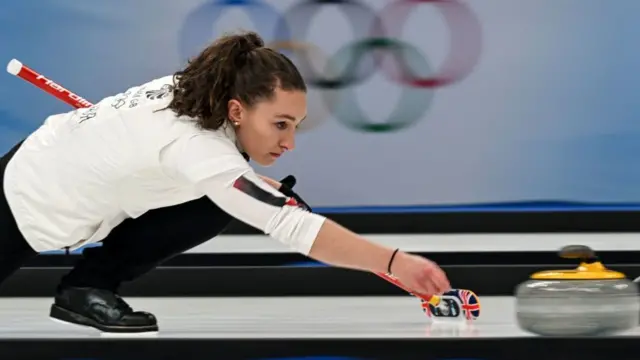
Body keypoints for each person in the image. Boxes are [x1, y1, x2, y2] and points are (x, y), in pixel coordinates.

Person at [0, 31, 451, 333]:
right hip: (23, 199)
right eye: (280, 124)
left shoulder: (200, 92)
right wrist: (396, 262)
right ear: (237, 111)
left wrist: (243, 184)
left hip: (61, 170)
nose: (290, 142)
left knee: (218, 200)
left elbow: (214, 173)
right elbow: (295, 229)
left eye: (296, 125)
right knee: (227, 196)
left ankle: (87, 288)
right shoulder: (200, 148)